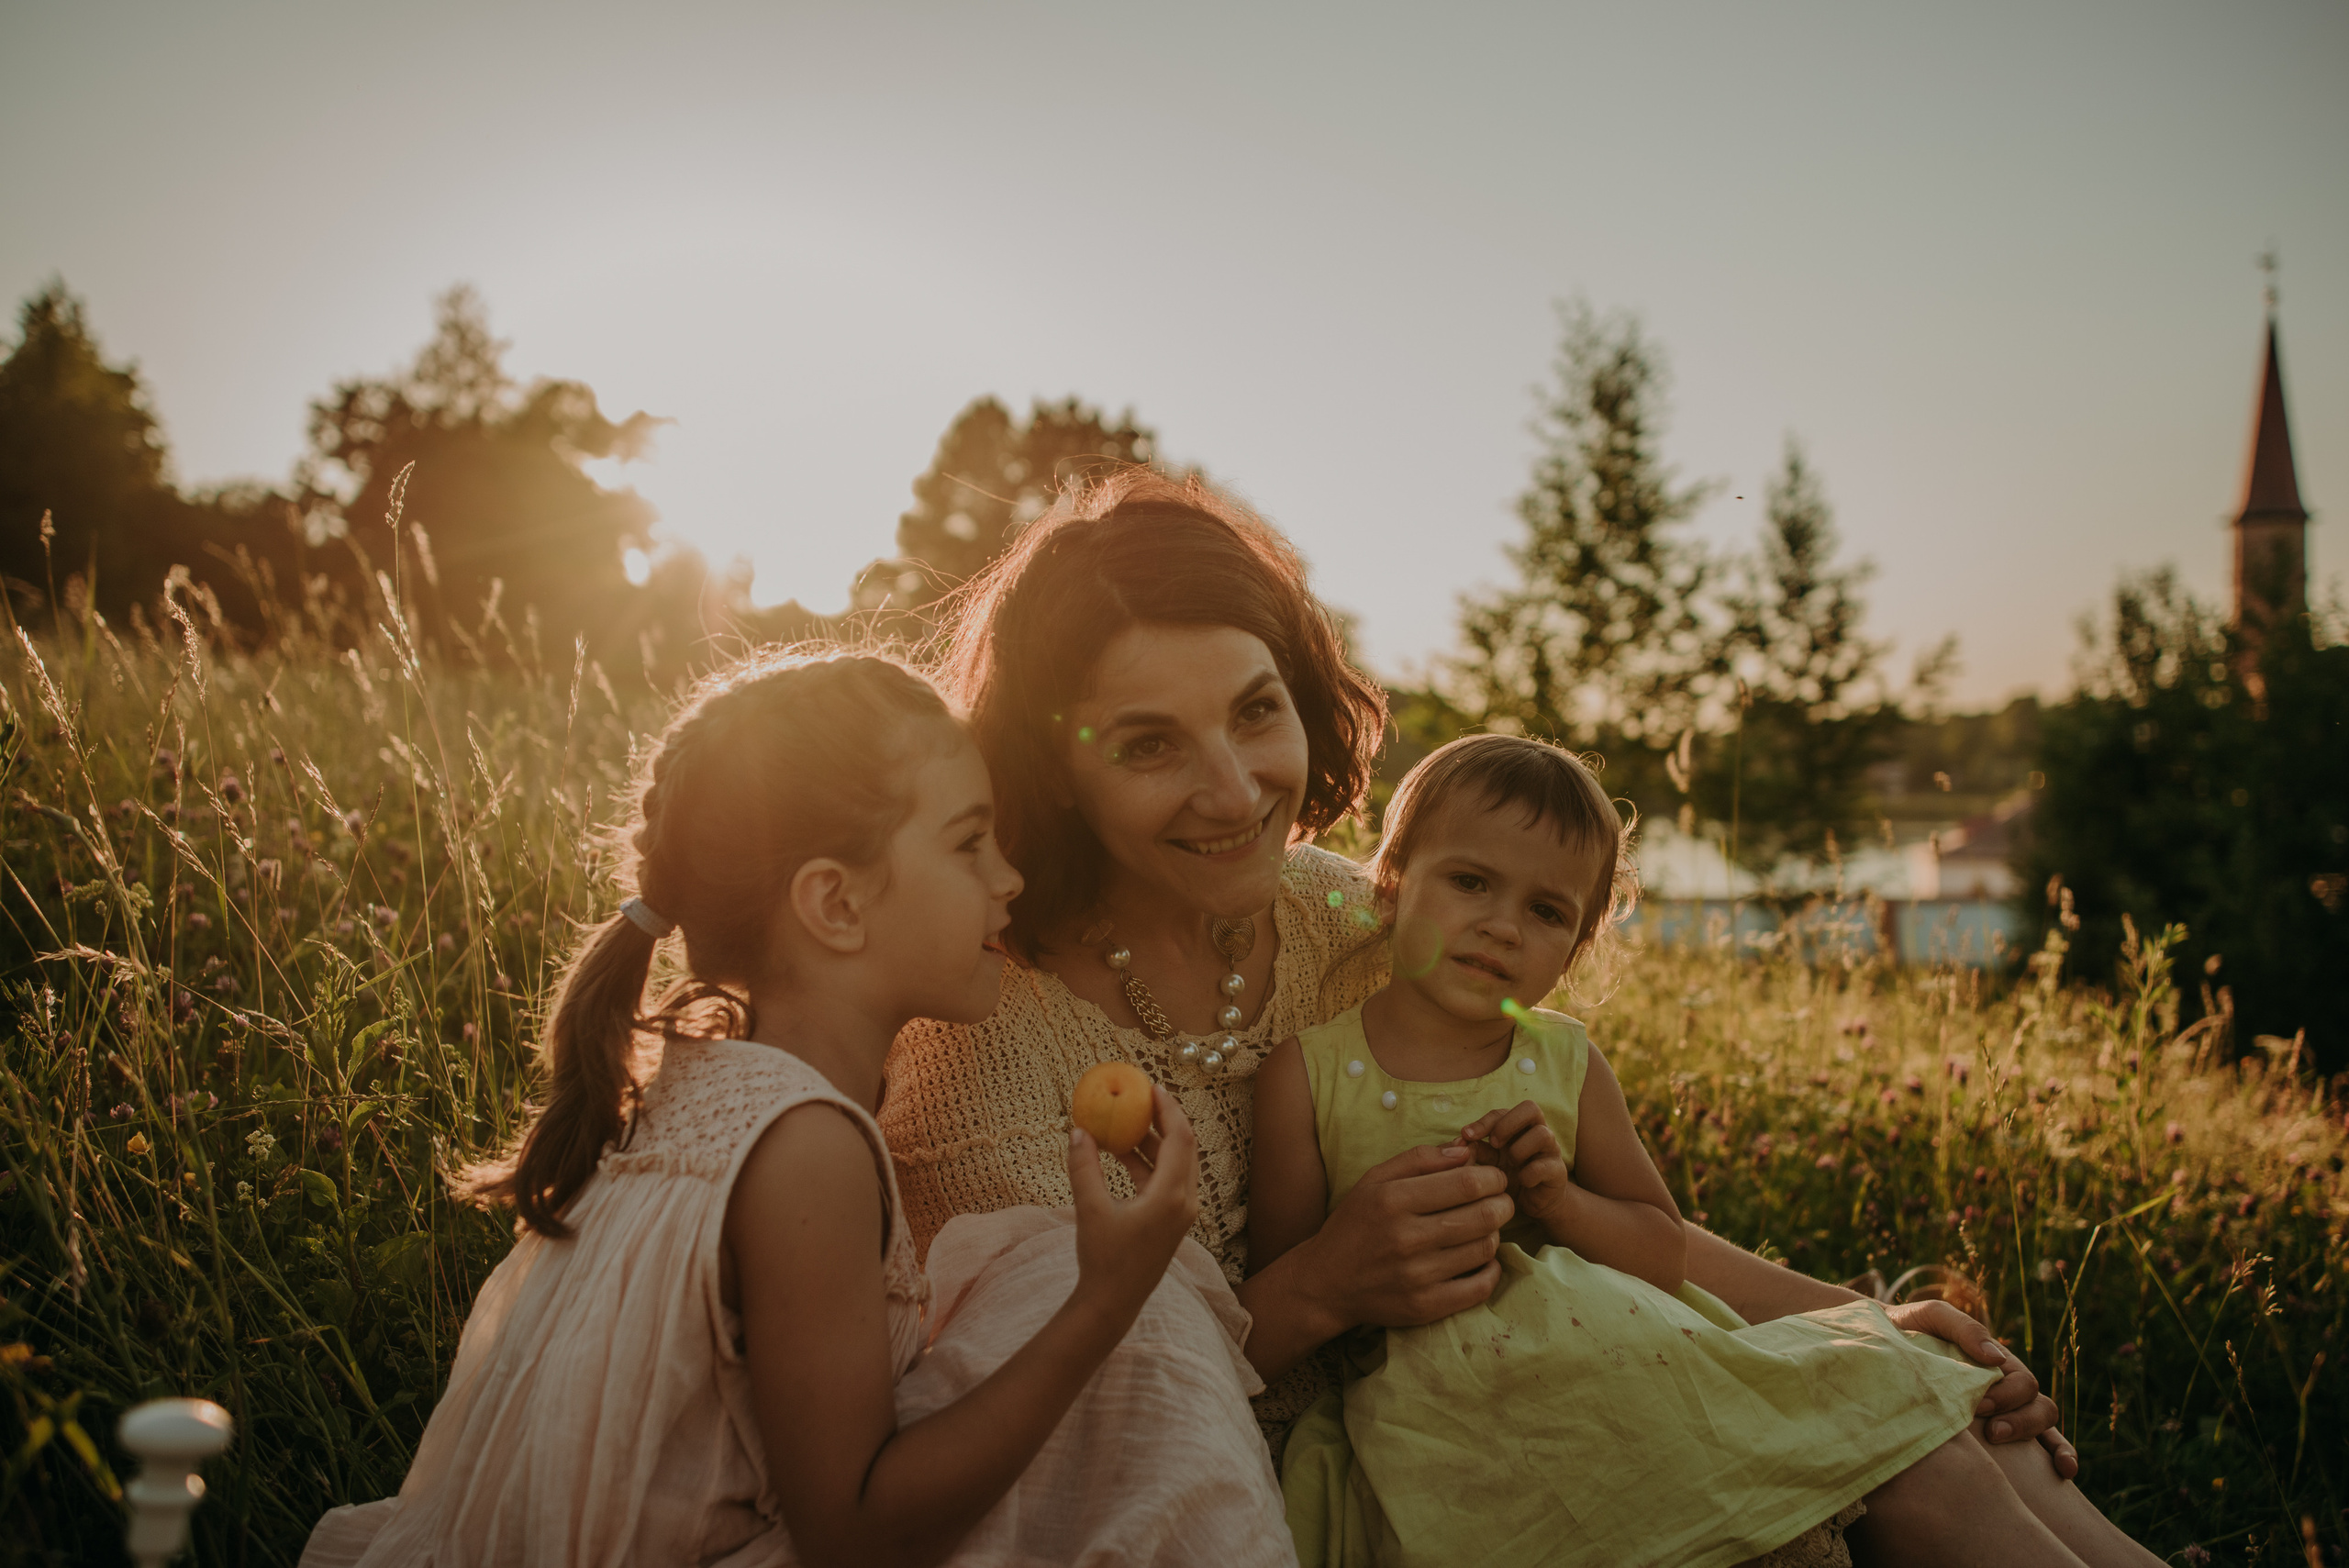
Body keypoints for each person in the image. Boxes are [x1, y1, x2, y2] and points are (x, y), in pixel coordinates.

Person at [878, 466, 2113, 1565]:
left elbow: (1615, 1245)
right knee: (1920, 1474)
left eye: (1257, 710)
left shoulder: (1359, 922)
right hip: (1329, 1506)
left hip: (1542, 1405)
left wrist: (1866, 1316)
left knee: (1960, 1429)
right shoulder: (982, 1049)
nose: (1233, 786)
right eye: (1149, 744)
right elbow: (1081, 1455)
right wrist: (1320, 1289)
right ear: (1055, 772)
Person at [298, 651, 1291, 1568]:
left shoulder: (709, 1081)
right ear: (836, 905)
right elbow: (852, 1531)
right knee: (1117, 1327)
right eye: (967, 842)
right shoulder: (805, 1144)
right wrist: (1108, 1295)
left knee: (1031, 1267)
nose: (1009, 877)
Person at [1252, 734, 2163, 1567]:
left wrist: (1559, 1203)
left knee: (1898, 1408)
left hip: (1632, 1358)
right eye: (1469, 882)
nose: (1500, 924)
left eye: (1545, 909)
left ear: (1573, 948)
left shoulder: (1560, 1060)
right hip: (1442, 1415)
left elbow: (1660, 1240)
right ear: (1390, 881)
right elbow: (1287, 1285)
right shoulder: (1311, 1068)